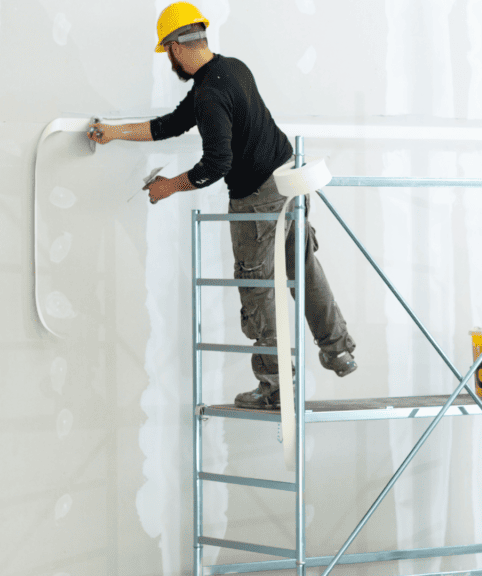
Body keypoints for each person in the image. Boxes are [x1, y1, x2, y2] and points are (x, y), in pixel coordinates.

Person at [87, 2, 356, 409]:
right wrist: (115, 131)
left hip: (258, 201)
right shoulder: (231, 69)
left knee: (258, 290)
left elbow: (215, 165)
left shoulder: (209, 93)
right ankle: (340, 351)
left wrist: (168, 188)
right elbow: (169, 125)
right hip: (289, 181)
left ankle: (277, 389)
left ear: (176, 49)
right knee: (304, 270)